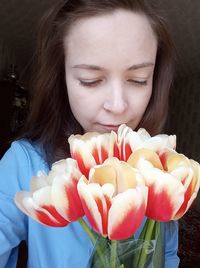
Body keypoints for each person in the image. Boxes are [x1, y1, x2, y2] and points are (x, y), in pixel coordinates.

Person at [0, 0, 179, 267]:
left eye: (139, 79)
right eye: (90, 80)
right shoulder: (25, 164)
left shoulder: (160, 168)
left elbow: (166, 255)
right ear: (61, 79)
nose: (117, 106)